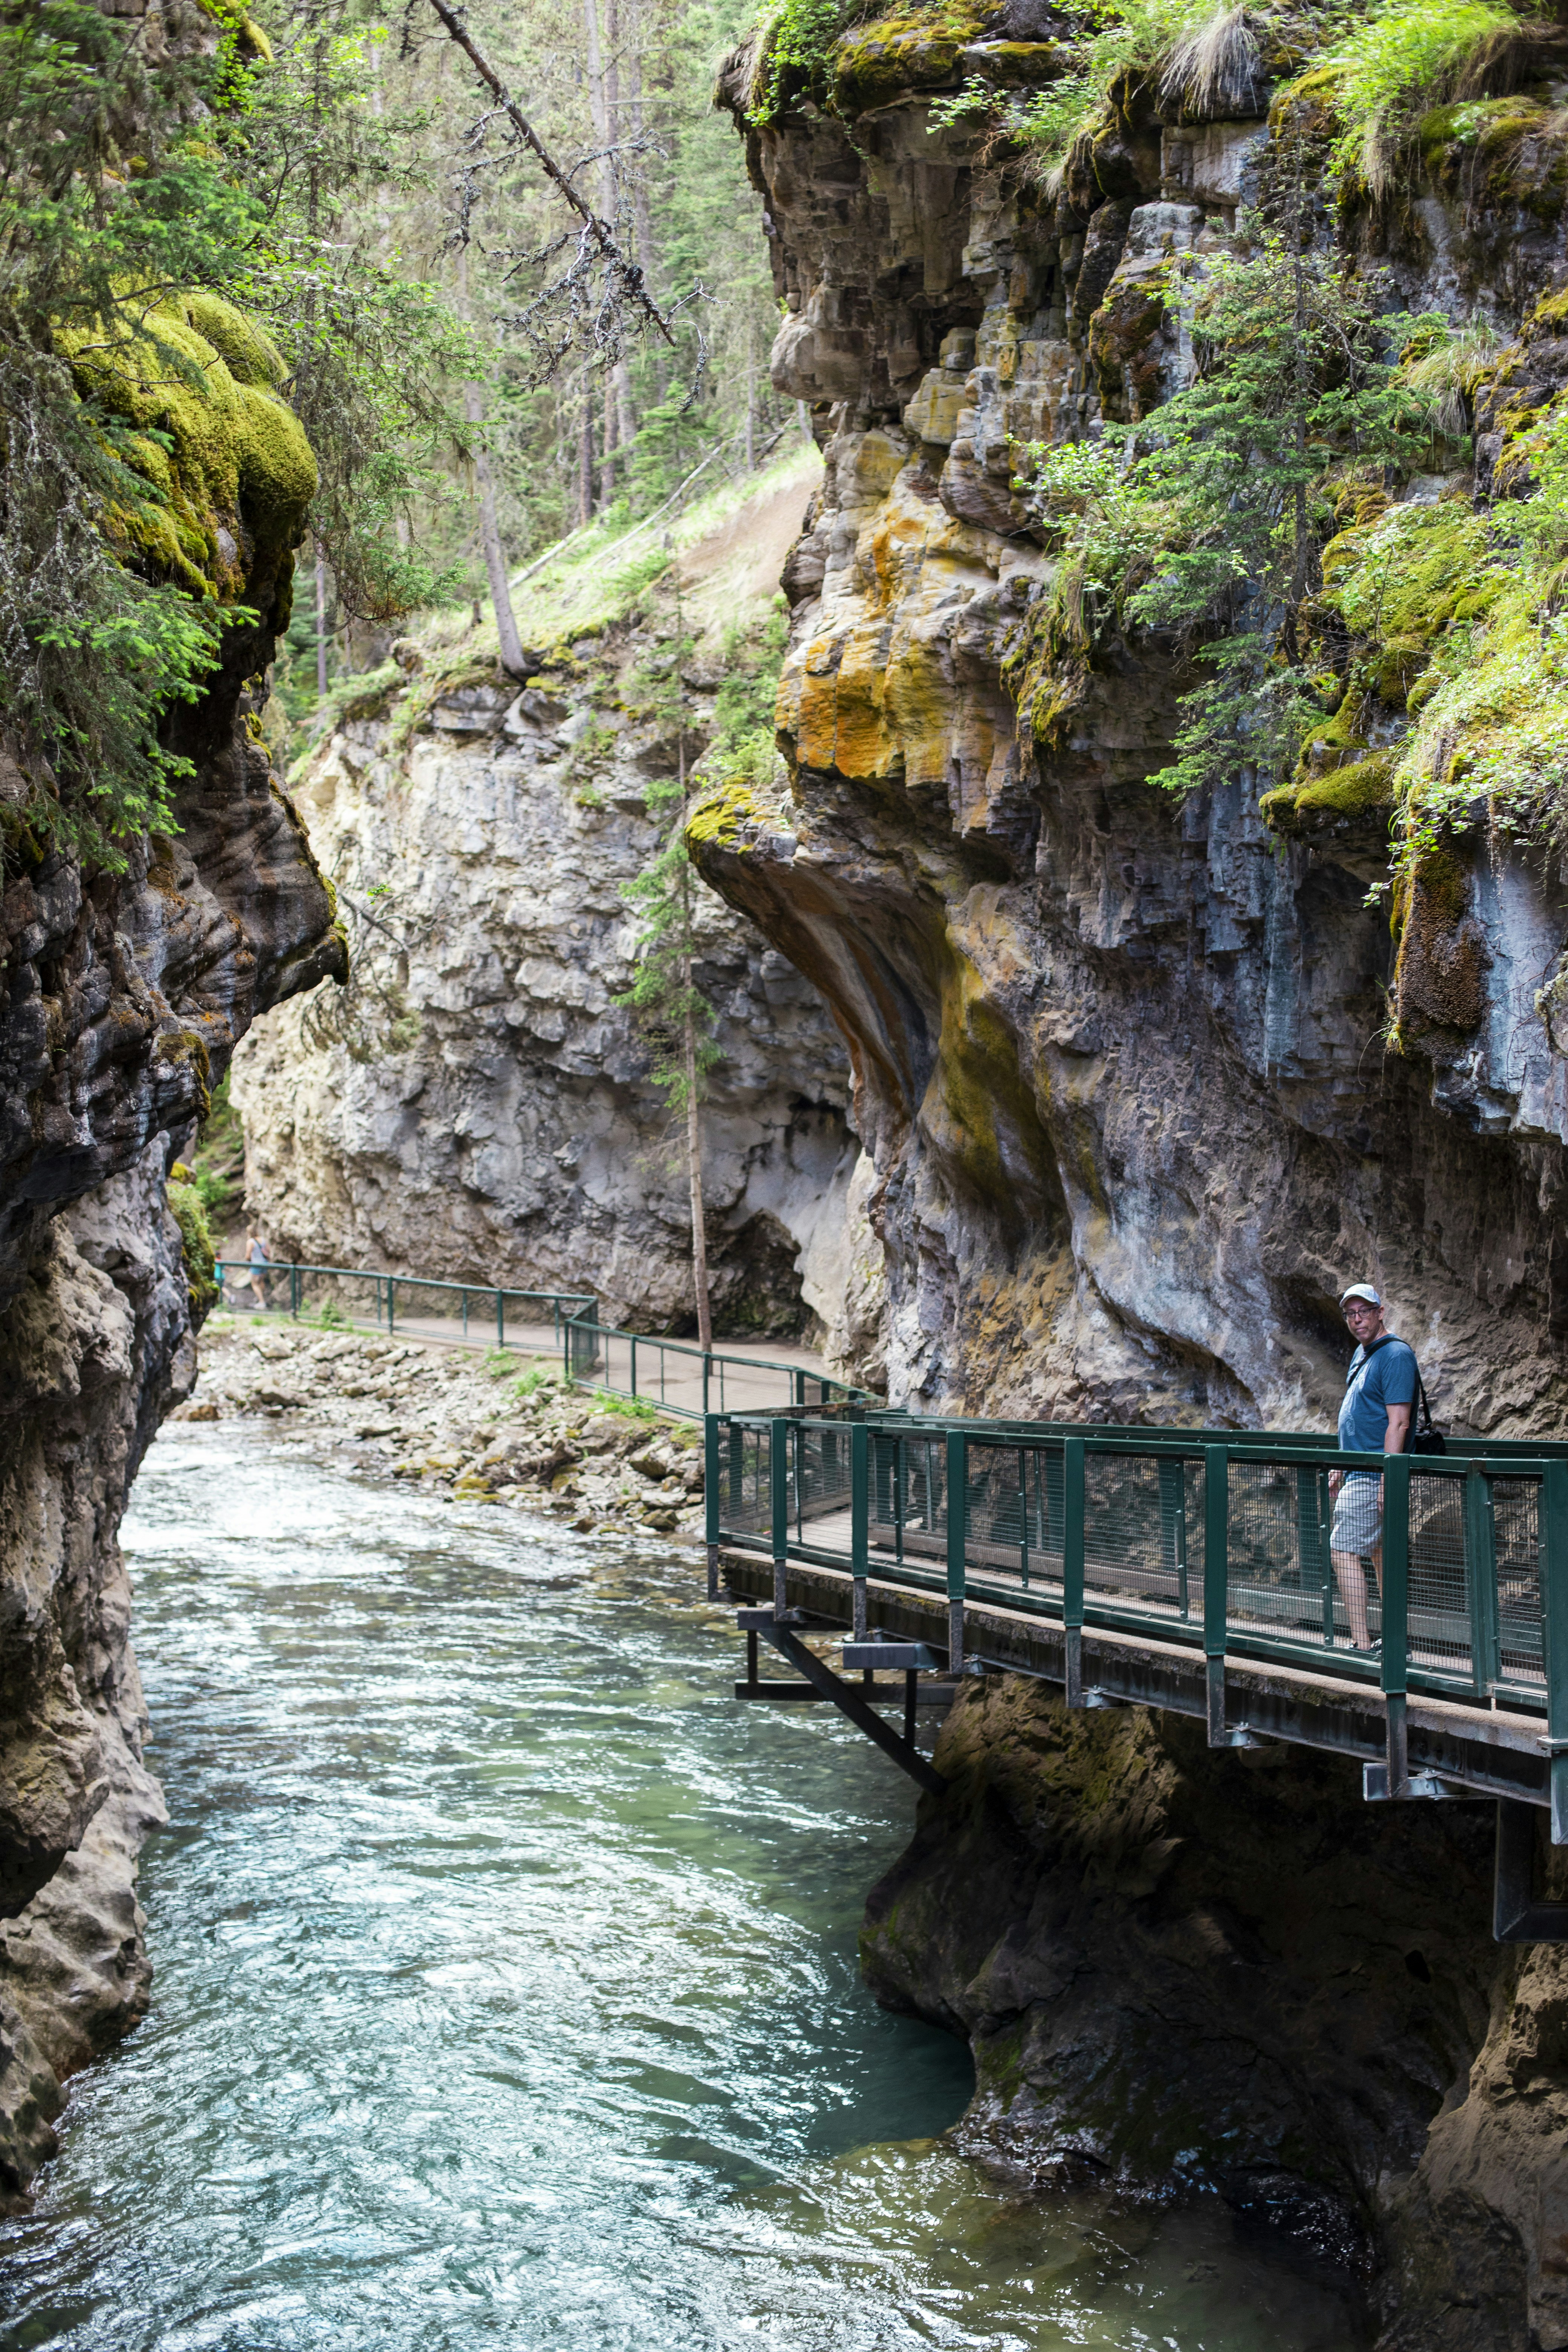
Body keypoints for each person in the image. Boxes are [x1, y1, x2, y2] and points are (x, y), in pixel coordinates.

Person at [1328, 1283, 1417, 1654]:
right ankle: (1395, 1643)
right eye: (1350, 1313)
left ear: (1380, 1312)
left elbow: (1398, 1423)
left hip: (1372, 1474)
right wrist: (1341, 1461)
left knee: (1342, 1551)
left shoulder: (1395, 1355)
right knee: (1379, 1555)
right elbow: (1355, 1415)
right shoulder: (1362, 1354)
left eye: (1363, 1310)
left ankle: (1361, 1645)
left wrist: (1386, 1478)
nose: (1356, 1319)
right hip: (1357, 1469)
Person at [245, 1229, 271, 1312]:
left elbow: (248, 1255)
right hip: (265, 1263)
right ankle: (260, 1300)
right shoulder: (263, 1239)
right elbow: (269, 1251)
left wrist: (249, 1261)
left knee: (255, 1284)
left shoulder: (251, 1241)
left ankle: (262, 1302)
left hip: (256, 1264)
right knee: (261, 1282)